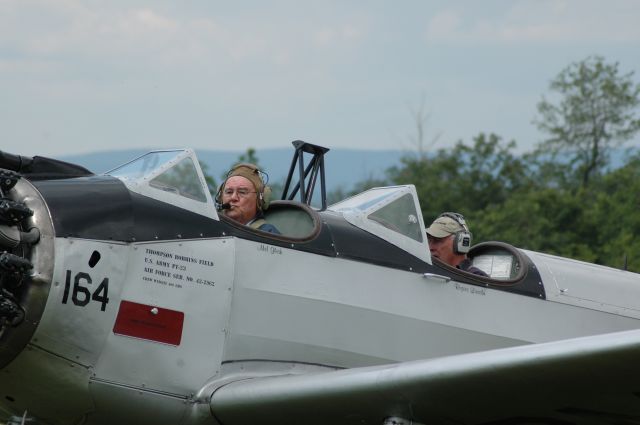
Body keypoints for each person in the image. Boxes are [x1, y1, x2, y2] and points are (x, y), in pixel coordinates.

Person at [216, 163, 280, 234]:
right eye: (229, 192)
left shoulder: (268, 235)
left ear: (259, 200)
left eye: (242, 192)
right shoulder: (214, 229)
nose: (233, 197)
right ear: (220, 197)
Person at [425, 212, 488, 277]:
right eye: (429, 241)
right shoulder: (427, 274)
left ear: (460, 243)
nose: (430, 247)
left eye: (437, 240)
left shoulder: (476, 277)